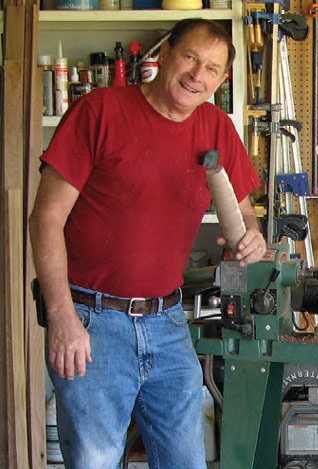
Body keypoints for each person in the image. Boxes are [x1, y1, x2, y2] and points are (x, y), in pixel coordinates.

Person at [29, 19, 265, 468]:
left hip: (168, 321)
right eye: (191, 58)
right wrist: (61, 316)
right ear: (166, 55)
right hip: (92, 322)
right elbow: (45, 218)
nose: (198, 75)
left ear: (223, 80)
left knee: (185, 461)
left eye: (212, 69)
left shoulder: (216, 127)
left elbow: (245, 211)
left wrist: (250, 237)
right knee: (94, 461)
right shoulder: (99, 111)